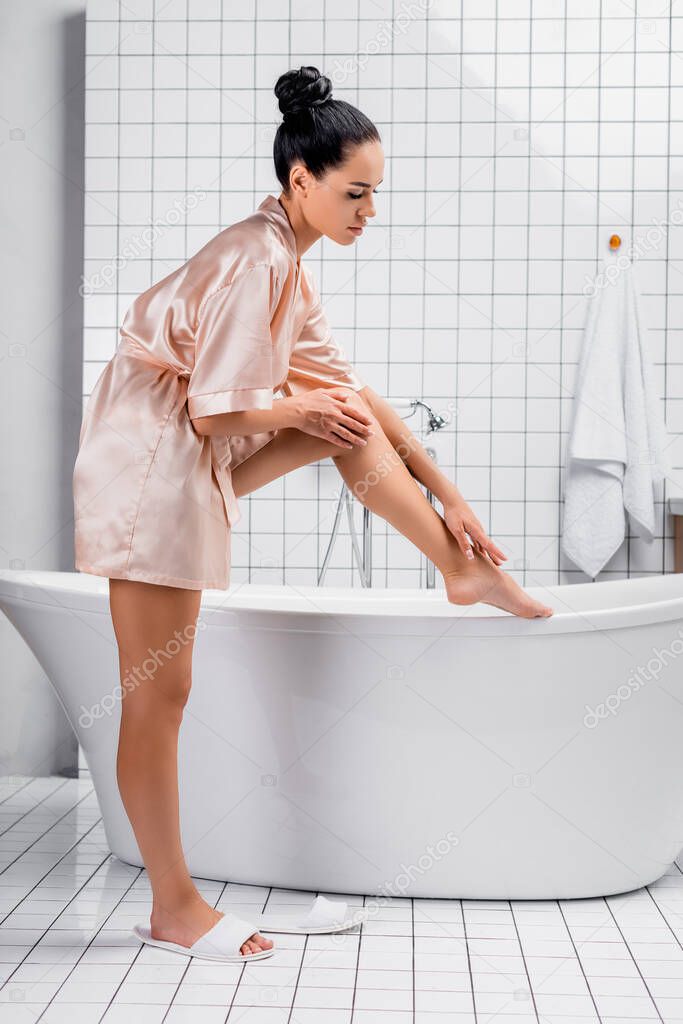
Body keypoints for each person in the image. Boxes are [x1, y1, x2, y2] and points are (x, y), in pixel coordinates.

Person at [72, 65, 554, 963]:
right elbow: (218, 411)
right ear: (302, 182)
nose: (370, 210)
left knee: (348, 420)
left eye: (376, 194)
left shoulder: (286, 256)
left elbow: (349, 394)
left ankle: (457, 567)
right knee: (158, 695)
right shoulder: (256, 258)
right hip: (146, 466)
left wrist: (449, 497)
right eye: (356, 193)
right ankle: (173, 907)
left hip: (189, 451)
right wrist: (297, 411)